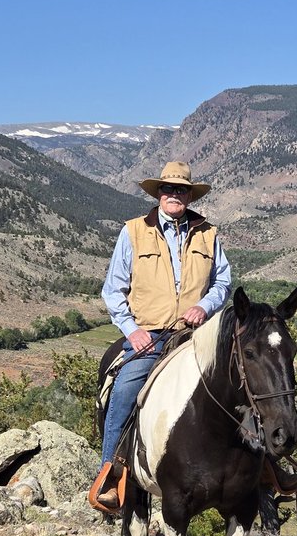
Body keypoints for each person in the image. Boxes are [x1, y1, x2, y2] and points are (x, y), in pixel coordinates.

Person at [90, 161, 231, 512]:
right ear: (158, 194)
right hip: (151, 335)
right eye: (168, 189)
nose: (174, 195)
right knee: (124, 390)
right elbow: (113, 290)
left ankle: (264, 473)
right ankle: (112, 476)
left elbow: (223, 281)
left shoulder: (207, 233)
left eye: (181, 190)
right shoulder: (134, 232)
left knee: (243, 380)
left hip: (196, 333)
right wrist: (132, 331)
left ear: (189, 195)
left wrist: (205, 307)